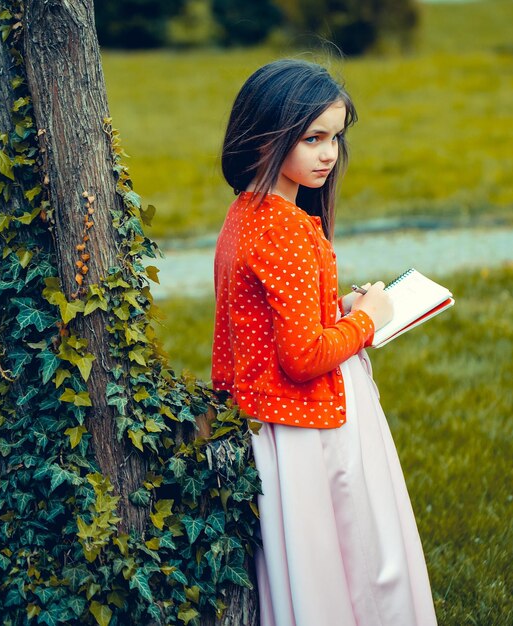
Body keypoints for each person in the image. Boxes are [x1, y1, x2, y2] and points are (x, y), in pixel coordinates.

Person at [211, 59, 437, 626]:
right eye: (313, 138)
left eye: (335, 137)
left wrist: (340, 310)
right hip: (313, 426)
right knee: (359, 550)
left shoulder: (247, 214)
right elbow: (303, 356)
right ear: (266, 137)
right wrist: (368, 320)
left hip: (278, 420)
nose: (329, 153)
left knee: (312, 561)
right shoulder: (283, 228)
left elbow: (272, 325)